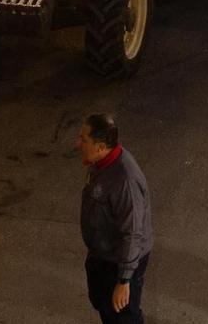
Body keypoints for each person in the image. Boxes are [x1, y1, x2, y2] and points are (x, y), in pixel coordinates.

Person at [78, 113, 152, 324]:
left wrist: (124, 280)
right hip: (102, 255)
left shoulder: (125, 180)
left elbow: (133, 233)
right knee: (104, 306)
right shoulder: (100, 164)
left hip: (120, 262)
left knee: (124, 317)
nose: (78, 143)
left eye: (84, 140)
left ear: (100, 146)